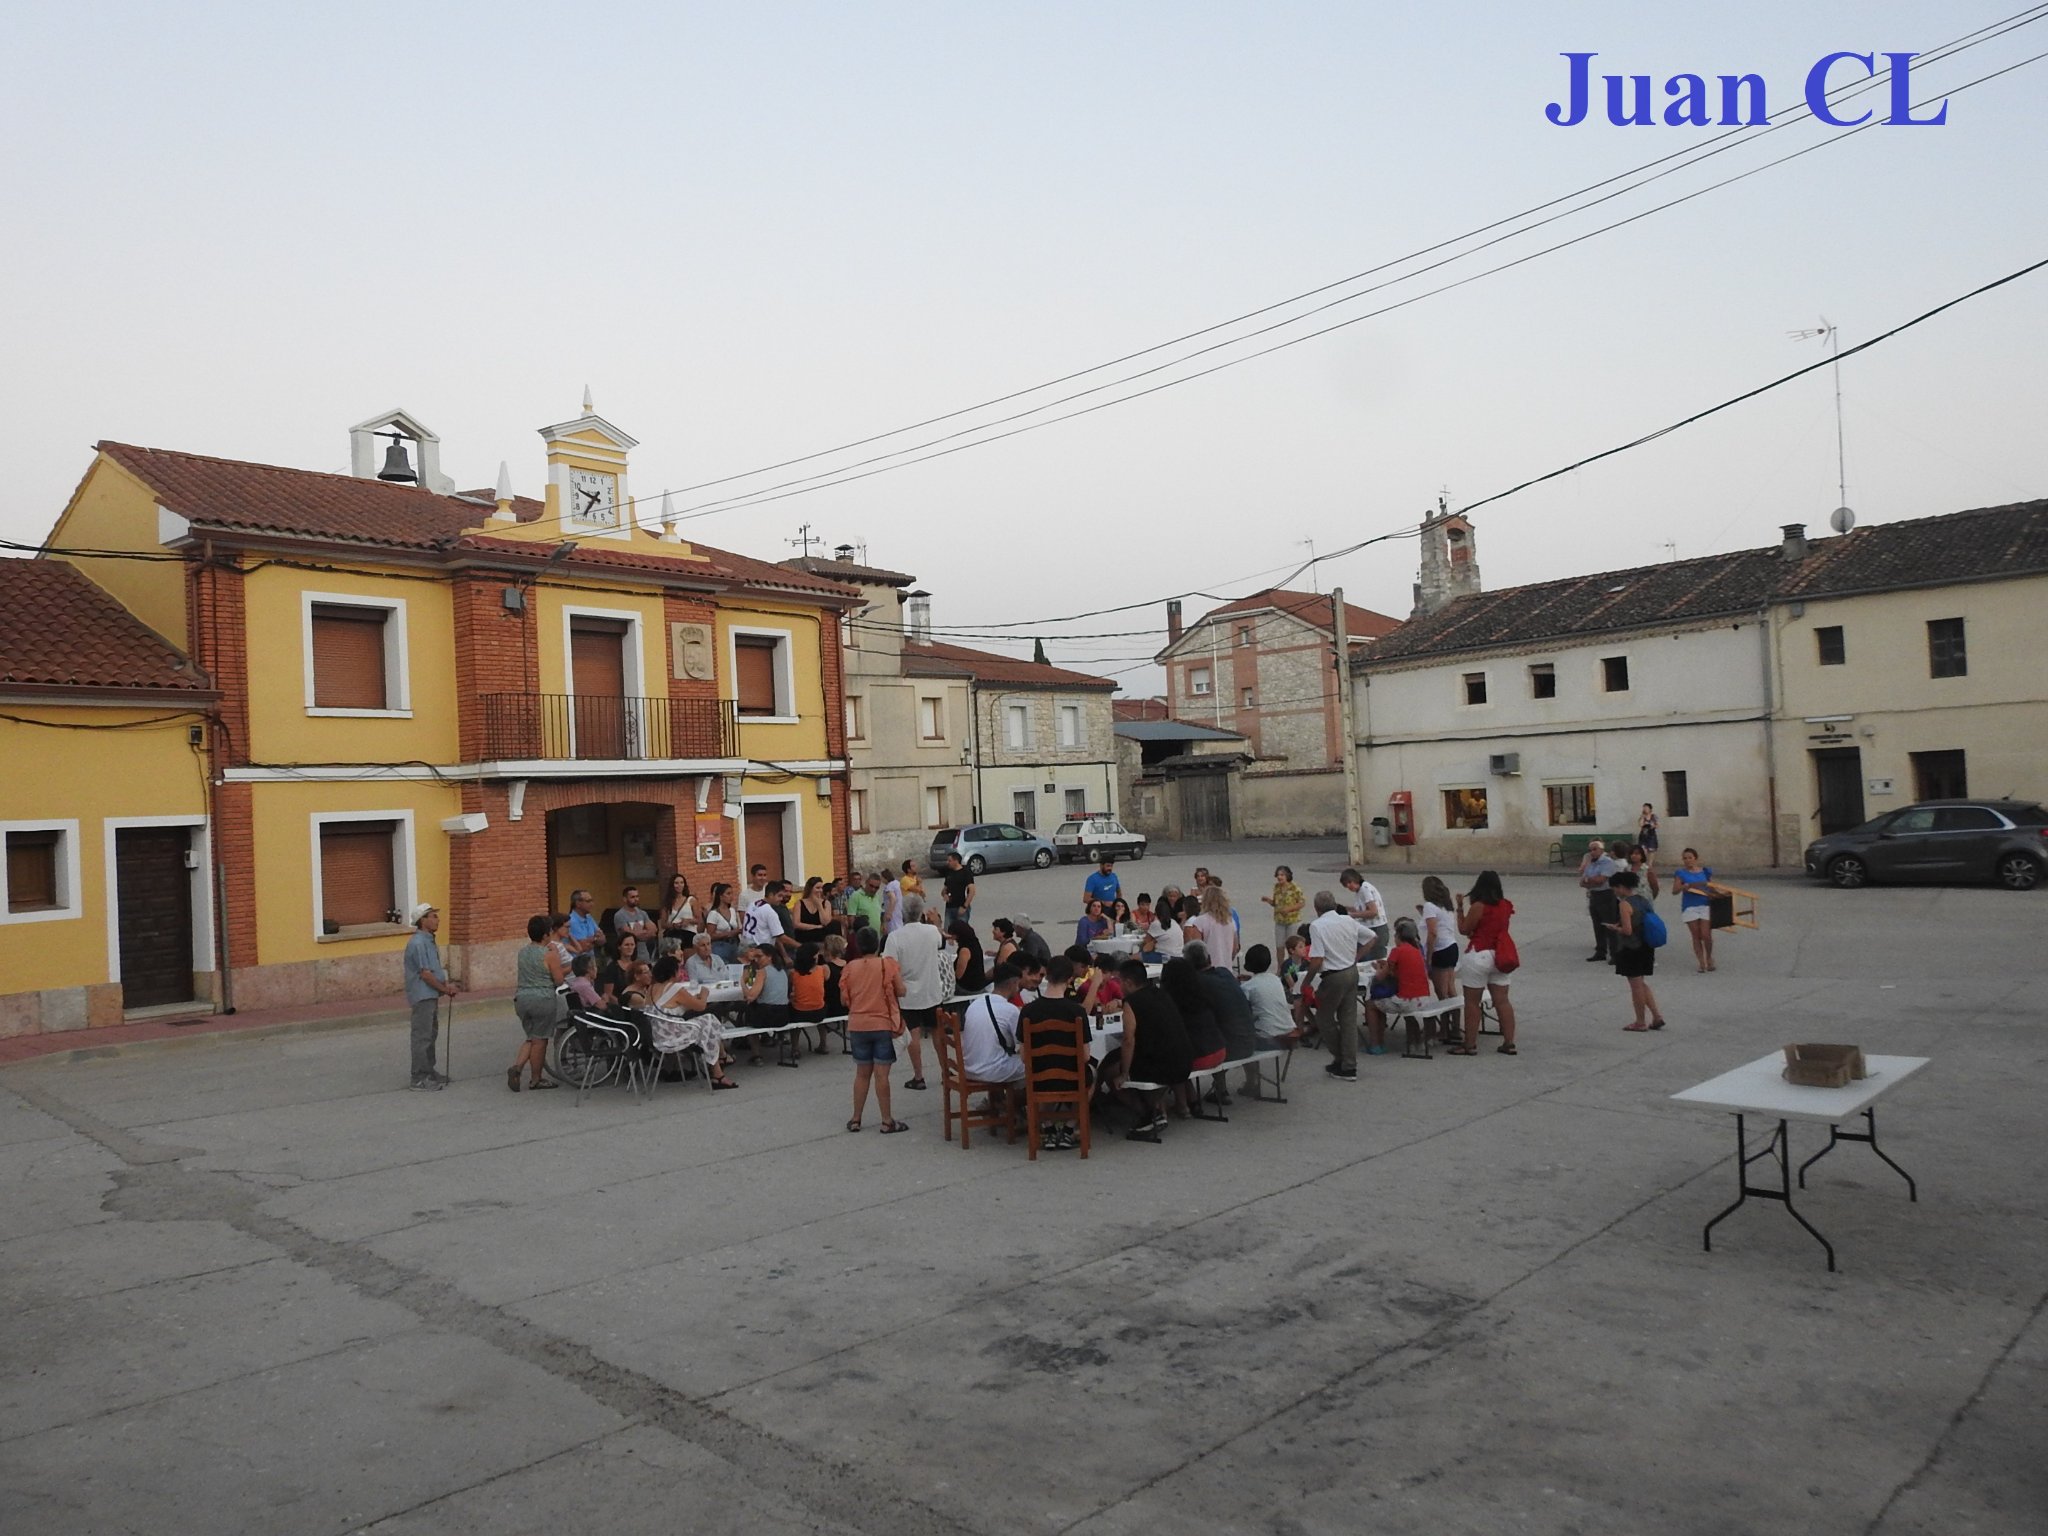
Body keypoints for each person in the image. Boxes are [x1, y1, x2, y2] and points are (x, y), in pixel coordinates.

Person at [1112, 960, 1193, 1139]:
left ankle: (1150, 1114)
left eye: (1119, 982)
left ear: (1128, 982)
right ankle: (1157, 1109)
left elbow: (1128, 1040)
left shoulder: (1131, 1002)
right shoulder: (1161, 993)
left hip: (1161, 1067)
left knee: (1111, 1073)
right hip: (1185, 1060)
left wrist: (1124, 1073)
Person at [842, 927, 909, 1132]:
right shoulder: (886, 965)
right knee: (882, 1075)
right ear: (878, 944)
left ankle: (856, 1118)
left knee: (862, 1074)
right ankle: (887, 1120)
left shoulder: (849, 968)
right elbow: (901, 990)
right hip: (882, 1024)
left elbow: (844, 999)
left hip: (858, 1025)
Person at [1021, 955, 1089, 1151]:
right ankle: (1068, 1129)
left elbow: (1024, 1056)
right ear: (1069, 979)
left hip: (1038, 1078)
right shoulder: (1077, 1012)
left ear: (1046, 976)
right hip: (1071, 1078)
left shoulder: (1028, 1012)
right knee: (1092, 1074)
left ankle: (1048, 1127)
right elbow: (1084, 1057)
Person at [1452, 871, 1519, 1055]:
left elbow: (1465, 929)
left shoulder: (1479, 906)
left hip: (1479, 953)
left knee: (1472, 1002)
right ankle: (1509, 1042)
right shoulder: (1505, 905)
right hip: (1500, 954)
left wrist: (1459, 908)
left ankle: (1470, 1044)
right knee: (1503, 1001)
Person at [647, 954, 738, 1089]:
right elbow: (701, 1006)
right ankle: (718, 1068)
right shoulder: (676, 989)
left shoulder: (651, 989)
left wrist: (692, 1000)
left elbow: (669, 1006)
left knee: (707, 1023)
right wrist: (704, 995)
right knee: (709, 1020)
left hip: (659, 1034)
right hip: (673, 1036)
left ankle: (718, 1066)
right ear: (673, 972)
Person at [885, 894, 945, 1089]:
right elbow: (941, 943)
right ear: (921, 912)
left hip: (908, 994)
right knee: (938, 1033)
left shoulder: (895, 937)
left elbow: (888, 965)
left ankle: (919, 1076)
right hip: (931, 990)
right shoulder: (931, 932)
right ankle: (946, 1071)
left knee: (914, 1035)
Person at [1185, 941, 1257, 1101]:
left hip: (1228, 1048)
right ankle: (1252, 1081)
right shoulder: (1225, 972)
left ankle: (1219, 1090)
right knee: (1231, 1022)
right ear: (1209, 958)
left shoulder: (1197, 983)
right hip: (1251, 1039)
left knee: (1210, 1031)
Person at [402, 902, 461, 1090]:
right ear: (423, 920)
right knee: (422, 1036)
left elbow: (434, 971)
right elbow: (425, 974)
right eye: (433, 916)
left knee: (431, 1034)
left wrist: (444, 985)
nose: (437, 920)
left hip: (430, 994)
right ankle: (418, 1077)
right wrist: (445, 989)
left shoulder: (428, 940)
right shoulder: (418, 943)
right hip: (422, 995)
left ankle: (429, 1070)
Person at [959, 966, 1030, 1122]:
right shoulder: (1009, 1010)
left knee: (1003, 1055)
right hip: (991, 1070)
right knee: (1038, 1067)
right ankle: (1011, 1105)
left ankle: (1000, 1102)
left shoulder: (975, 1003)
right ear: (1013, 983)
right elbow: (1023, 1042)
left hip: (969, 1067)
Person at [1304, 892, 1361, 1080]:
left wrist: (1307, 980)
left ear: (1316, 908)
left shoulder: (1317, 926)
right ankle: (1349, 1064)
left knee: (1324, 1018)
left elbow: (1317, 958)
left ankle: (1340, 1057)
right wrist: (1356, 957)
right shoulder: (1348, 920)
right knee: (1348, 1019)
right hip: (1352, 971)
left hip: (1334, 975)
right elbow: (1371, 937)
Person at [1160, 957, 1226, 1117]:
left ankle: (1182, 1105)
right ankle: (1192, 1101)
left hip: (1200, 1057)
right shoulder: (1202, 994)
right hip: (1219, 1050)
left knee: (1169, 1057)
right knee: (1180, 1053)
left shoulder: (1171, 1001)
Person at [508, 914, 562, 1093]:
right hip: (543, 998)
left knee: (531, 1036)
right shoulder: (549, 955)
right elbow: (559, 980)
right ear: (546, 935)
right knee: (540, 1040)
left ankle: (517, 1066)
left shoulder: (522, 952)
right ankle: (536, 1078)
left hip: (522, 998)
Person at [1608, 870, 1667, 1032]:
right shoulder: (1643, 900)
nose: (1614, 892)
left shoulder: (1625, 904)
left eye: (1615, 888)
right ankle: (1656, 1016)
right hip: (1646, 945)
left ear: (1620, 887)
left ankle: (1640, 1021)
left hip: (1631, 948)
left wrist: (1615, 928)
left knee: (1635, 986)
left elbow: (1627, 930)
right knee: (1641, 983)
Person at [1238, 943, 1300, 1095]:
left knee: (1243, 1037)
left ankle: (1252, 1082)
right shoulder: (1275, 979)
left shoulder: (1247, 987)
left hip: (1270, 1038)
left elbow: (1244, 1014)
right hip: (1290, 1033)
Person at [1369, 917, 1434, 1057]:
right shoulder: (1417, 951)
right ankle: (1415, 1040)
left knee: (1371, 1004)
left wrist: (1378, 967)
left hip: (1408, 1000)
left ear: (1399, 936)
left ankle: (1376, 1044)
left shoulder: (1397, 951)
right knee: (1407, 1009)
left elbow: (1381, 976)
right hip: (1423, 997)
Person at [1672, 848, 1722, 973]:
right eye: (1685, 858)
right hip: (1690, 906)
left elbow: (1710, 887)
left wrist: (1719, 895)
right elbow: (1674, 891)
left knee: (1706, 935)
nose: (1687, 860)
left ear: (1695, 858)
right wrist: (1683, 886)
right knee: (1696, 935)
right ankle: (1701, 962)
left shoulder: (1705, 871)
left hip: (1705, 904)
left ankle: (1709, 957)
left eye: (1690, 857)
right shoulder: (1681, 873)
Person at [739, 942, 789, 1064]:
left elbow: (750, 996)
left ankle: (756, 1054)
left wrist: (742, 981)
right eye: (755, 957)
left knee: (748, 1010)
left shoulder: (762, 972)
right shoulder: (782, 971)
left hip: (768, 1015)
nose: (756, 960)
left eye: (759, 956)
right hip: (784, 1014)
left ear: (769, 956)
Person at [1418, 876, 1461, 1000]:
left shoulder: (1429, 906)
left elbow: (1433, 932)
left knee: (1441, 991)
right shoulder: (1446, 905)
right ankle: (1455, 1018)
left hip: (1440, 950)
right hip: (1451, 946)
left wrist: (1428, 958)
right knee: (1450, 988)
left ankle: (1446, 1019)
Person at [1578, 840, 1622, 961]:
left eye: (1595, 849)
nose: (1592, 852)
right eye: (1590, 850)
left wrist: (1589, 881)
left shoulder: (1607, 862)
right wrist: (1590, 881)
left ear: (1602, 850)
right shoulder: (1591, 863)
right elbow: (1582, 881)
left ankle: (1615, 953)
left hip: (1606, 895)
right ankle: (1600, 951)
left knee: (1609, 924)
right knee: (1597, 924)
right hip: (1594, 895)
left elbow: (1601, 880)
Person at [788, 943, 832, 1056]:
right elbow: (827, 978)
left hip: (800, 1012)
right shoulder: (822, 969)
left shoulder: (793, 973)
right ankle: (824, 1043)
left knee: (793, 1015)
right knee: (822, 1007)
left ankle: (795, 1048)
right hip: (818, 1011)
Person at [1339, 868, 1389, 963]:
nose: (1349, 886)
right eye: (1346, 885)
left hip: (1376, 928)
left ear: (1356, 879)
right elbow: (1361, 910)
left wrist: (1352, 915)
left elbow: (1373, 912)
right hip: (1370, 928)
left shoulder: (1365, 889)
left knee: (1373, 960)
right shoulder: (1360, 891)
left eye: (1350, 882)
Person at [1188, 883, 1238, 971]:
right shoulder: (1230, 921)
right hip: (1227, 969)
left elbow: (1196, 949)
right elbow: (1235, 948)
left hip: (1207, 970)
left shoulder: (1200, 921)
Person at [1262, 865, 1306, 959]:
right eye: (1278, 875)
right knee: (1279, 946)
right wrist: (1268, 900)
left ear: (1287, 876)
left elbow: (1302, 903)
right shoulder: (1277, 887)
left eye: (1282, 875)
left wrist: (1289, 909)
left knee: (1292, 946)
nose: (1279, 877)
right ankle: (1280, 967)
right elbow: (1276, 903)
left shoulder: (1295, 888)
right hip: (1280, 920)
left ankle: (1292, 965)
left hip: (1293, 920)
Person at [596, 931, 642, 1004]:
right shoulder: (612, 967)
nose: (630, 948)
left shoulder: (639, 965)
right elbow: (608, 994)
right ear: (619, 947)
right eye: (626, 945)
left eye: (632, 945)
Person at [658, 874, 697, 956]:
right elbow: (663, 923)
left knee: (688, 958)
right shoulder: (667, 902)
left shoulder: (691, 900)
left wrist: (688, 921)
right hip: (673, 934)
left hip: (689, 933)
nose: (679, 885)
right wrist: (674, 925)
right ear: (672, 885)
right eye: (676, 883)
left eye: (681, 883)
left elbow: (699, 919)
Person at [703, 883, 742, 963]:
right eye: (728, 894)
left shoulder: (732, 911)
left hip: (734, 945)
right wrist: (728, 933)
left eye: (732, 893)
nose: (731, 896)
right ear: (721, 896)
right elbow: (710, 935)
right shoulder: (713, 913)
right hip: (720, 946)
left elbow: (736, 927)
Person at [612, 885, 659, 950]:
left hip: (644, 954)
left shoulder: (642, 913)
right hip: (629, 954)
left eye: (637, 896)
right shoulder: (619, 915)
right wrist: (645, 932)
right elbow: (629, 935)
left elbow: (653, 931)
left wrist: (638, 933)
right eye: (632, 897)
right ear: (625, 899)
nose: (636, 899)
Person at [1140, 891, 1185, 960]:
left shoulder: (1157, 923)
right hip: (1179, 955)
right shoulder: (1174, 922)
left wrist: (1153, 941)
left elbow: (1146, 941)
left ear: (1157, 913)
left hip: (1165, 956)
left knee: (1134, 957)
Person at [791, 876, 834, 945]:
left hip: (821, 939)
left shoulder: (826, 903)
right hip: (803, 939)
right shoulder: (799, 903)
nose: (820, 890)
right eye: (817, 888)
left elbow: (826, 922)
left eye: (821, 888)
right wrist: (815, 927)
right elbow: (796, 924)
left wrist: (819, 906)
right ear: (810, 889)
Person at [948, 919, 988, 993]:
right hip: (979, 985)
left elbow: (958, 975)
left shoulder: (965, 950)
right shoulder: (975, 942)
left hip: (968, 988)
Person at [565, 888, 604, 956]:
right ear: (578, 904)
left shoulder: (589, 917)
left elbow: (603, 940)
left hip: (590, 960)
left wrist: (591, 940)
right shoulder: (571, 921)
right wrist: (595, 938)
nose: (592, 904)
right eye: (588, 901)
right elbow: (584, 947)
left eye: (592, 901)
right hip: (577, 962)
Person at [942, 851, 976, 929]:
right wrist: (945, 895)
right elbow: (945, 889)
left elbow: (972, 891)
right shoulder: (949, 873)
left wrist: (964, 906)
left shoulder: (966, 873)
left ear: (956, 861)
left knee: (961, 931)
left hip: (961, 906)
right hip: (949, 907)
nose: (948, 862)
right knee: (947, 930)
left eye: (949, 860)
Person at [842, 871, 883, 936]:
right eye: (871, 886)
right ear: (866, 882)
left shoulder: (877, 897)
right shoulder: (855, 896)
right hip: (863, 937)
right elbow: (851, 918)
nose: (873, 889)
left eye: (876, 887)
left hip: (876, 936)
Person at [881, 866, 905, 936]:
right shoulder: (897, 883)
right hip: (899, 911)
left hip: (892, 913)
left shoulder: (889, 887)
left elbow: (893, 898)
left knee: (893, 931)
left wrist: (889, 913)